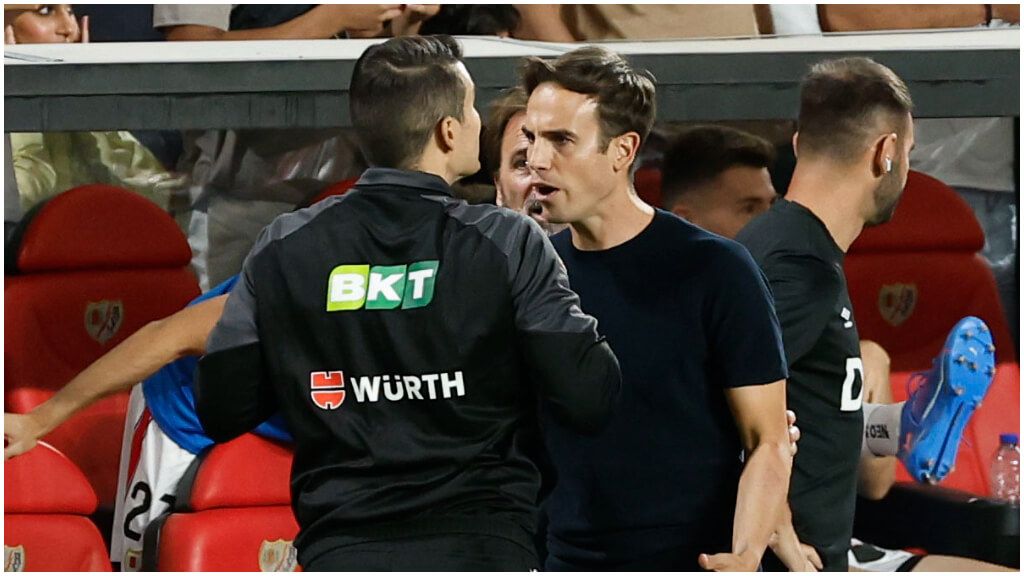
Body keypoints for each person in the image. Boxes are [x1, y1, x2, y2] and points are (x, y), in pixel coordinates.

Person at [194, 35, 621, 571]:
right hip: (485, 547)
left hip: (342, 551)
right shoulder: (507, 242)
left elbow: (222, 407)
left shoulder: (285, 247)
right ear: (447, 131)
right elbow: (590, 396)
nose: (474, 122)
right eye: (469, 110)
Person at [518, 46, 803, 571]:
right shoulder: (531, 275)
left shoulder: (717, 270)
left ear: (623, 150)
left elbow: (768, 439)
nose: (537, 158)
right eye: (531, 138)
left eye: (561, 140)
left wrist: (743, 556)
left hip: (692, 561)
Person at [737, 57, 997, 571]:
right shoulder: (799, 267)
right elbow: (712, 406)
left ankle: (903, 419)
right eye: (911, 154)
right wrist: (775, 525)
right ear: (887, 153)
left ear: (797, 145)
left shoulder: (792, 247)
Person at [2, 276, 290, 571]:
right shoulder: (290, 290)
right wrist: (37, 421)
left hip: (298, 425)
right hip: (188, 414)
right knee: (149, 561)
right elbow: (166, 338)